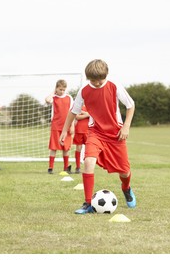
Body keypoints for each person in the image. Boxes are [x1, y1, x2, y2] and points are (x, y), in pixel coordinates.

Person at [59, 59, 136, 214]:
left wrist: (126, 126)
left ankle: (126, 188)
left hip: (116, 134)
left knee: (124, 171)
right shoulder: (84, 91)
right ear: (88, 78)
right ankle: (88, 204)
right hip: (96, 132)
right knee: (88, 162)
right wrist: (64, 130)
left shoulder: (114, 86)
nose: (98, 83)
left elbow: (130, 105)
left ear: (106, 75)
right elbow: (73, 111)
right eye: (94, 80)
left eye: (101, 79)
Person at [45, 79, 74, 174]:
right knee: (53, 147)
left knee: (66, 148)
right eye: (60, 89)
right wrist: (53, 92)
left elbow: (72, 112)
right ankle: (50, 168)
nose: (62, 91)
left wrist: (72, 125)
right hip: (56, 126)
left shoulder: (69, 97)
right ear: (56, 88)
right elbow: (47, 100)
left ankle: (66, 168)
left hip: (66, 127)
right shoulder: (53, 98)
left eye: (63, 89)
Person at [73, 105, 89, 174]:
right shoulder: (79, 106)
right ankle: (78, 167)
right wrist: (88, 114)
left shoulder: (91, 106)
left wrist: (84, 113)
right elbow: (77, 117)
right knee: (78, 148)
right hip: (79, 130)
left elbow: (93, 116)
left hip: (88, 131)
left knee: (88, 150)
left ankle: (87, 167)